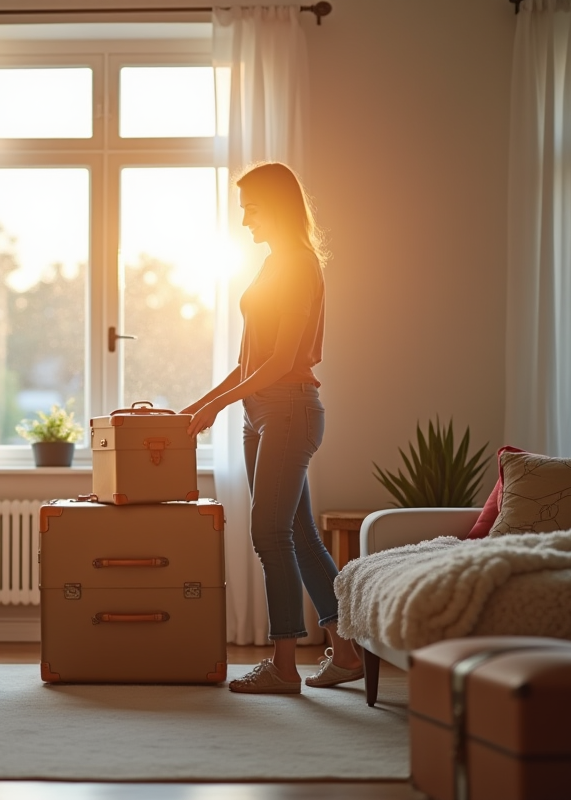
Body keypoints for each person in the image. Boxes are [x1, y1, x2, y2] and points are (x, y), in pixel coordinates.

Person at [181, 162, 362, 695]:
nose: (245, 221)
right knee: (301, 536)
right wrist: (200, 405)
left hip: (288, 409)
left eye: (251, 209)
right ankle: (346, 653)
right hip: (261, 413)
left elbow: (283, 360)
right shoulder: (271, 266)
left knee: (269, 534)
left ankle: (284, 665)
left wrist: (217, 407)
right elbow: (249, 362)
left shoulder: (299, 265)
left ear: (276, 207)